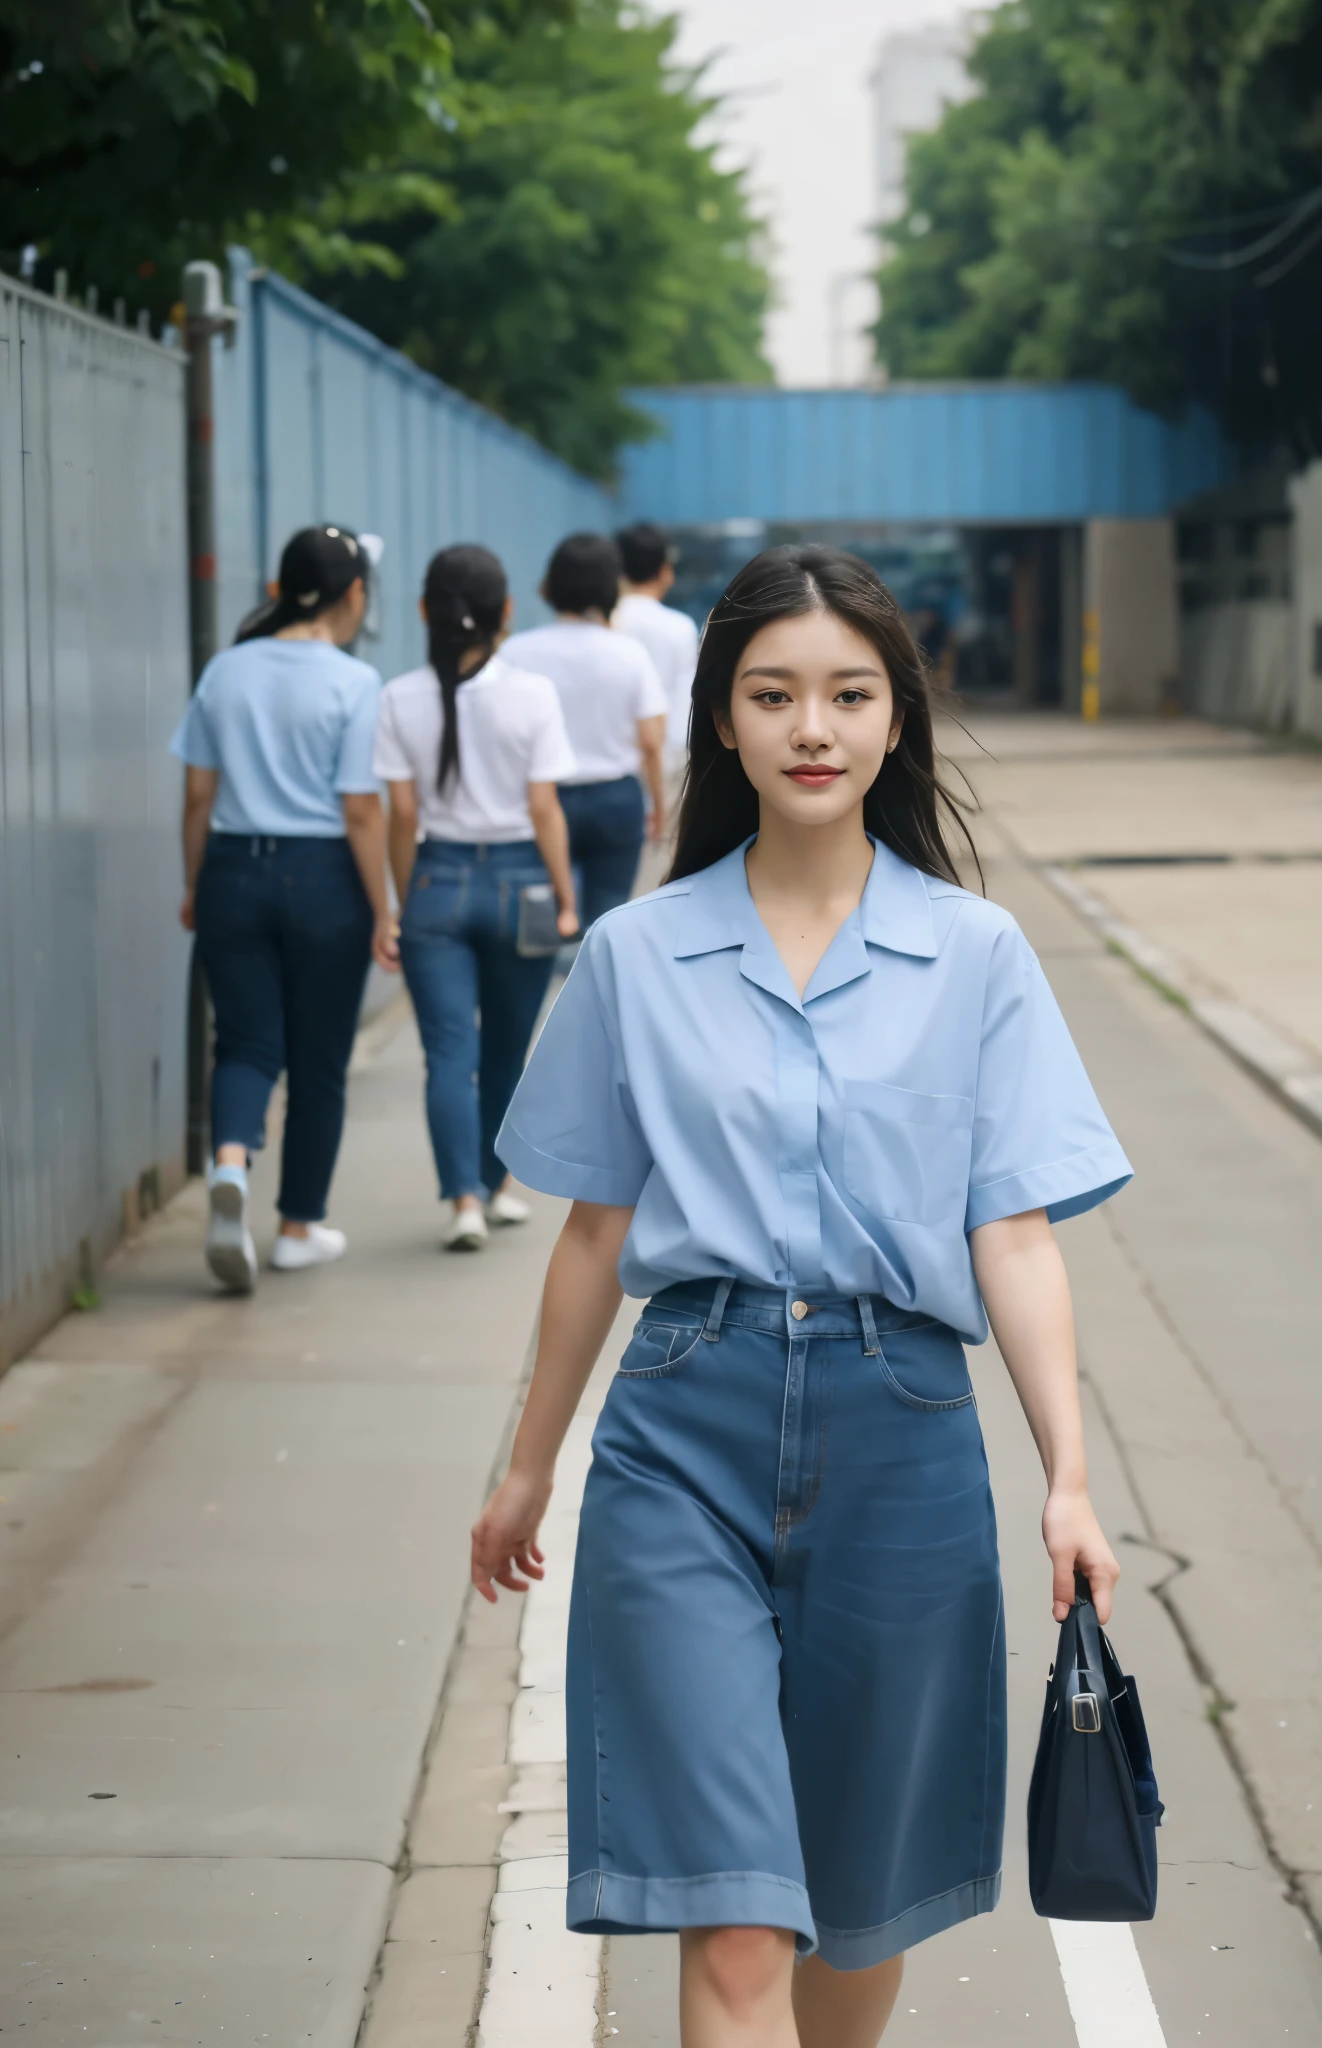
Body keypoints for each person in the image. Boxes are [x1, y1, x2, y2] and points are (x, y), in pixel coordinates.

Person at [471, 545, 1132, 2047]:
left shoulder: (976, 956)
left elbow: (1014, 1234)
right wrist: (527, 1468)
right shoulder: (638, 955)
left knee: (856, 1904)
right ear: (721, 721)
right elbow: (591, 1235)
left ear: (897, 719)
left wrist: (1070, 1482)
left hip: (904, 1440)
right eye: (773, 696)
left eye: (847, 694)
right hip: (679, 1441)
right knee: (739, 1926)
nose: (811, 728)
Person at [173, 524, 398, 1294]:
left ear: (280, 587)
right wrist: (383, 908)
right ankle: (298, 1227)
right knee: (318, 1063)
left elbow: (198, 795)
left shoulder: (225, 671)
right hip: (323, 878)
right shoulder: (352, 682)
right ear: (354, 594)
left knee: (242, 1044)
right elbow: (362, 811)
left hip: (233, 872)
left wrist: (193, 885)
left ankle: (230, 1160)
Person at [374, 545, 580, 1252]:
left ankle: (464, 1199)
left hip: (437, 880)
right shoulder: (533, 695)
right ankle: (496, 1188)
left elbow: (402, 816)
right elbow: (545, 808)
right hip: (522, 882)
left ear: (424, 611)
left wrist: (406, 902)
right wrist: (564, 896)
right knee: (507, 1048)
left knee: (447, 1054)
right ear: (506, 614)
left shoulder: (398, 696)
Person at [504, 533, 667, 931]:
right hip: (614, 798)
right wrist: (659, 806)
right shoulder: (628, 653)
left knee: (540, 916)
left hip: (539, 798)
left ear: (551, 584)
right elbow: (650, 742)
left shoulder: (515, 652)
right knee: (608, 919)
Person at [613, 519, 700, 763]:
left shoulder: (608, 622)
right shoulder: (679, 627)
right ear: (664, 570)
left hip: (617, 750)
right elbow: (685, 695)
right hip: (668, 750)